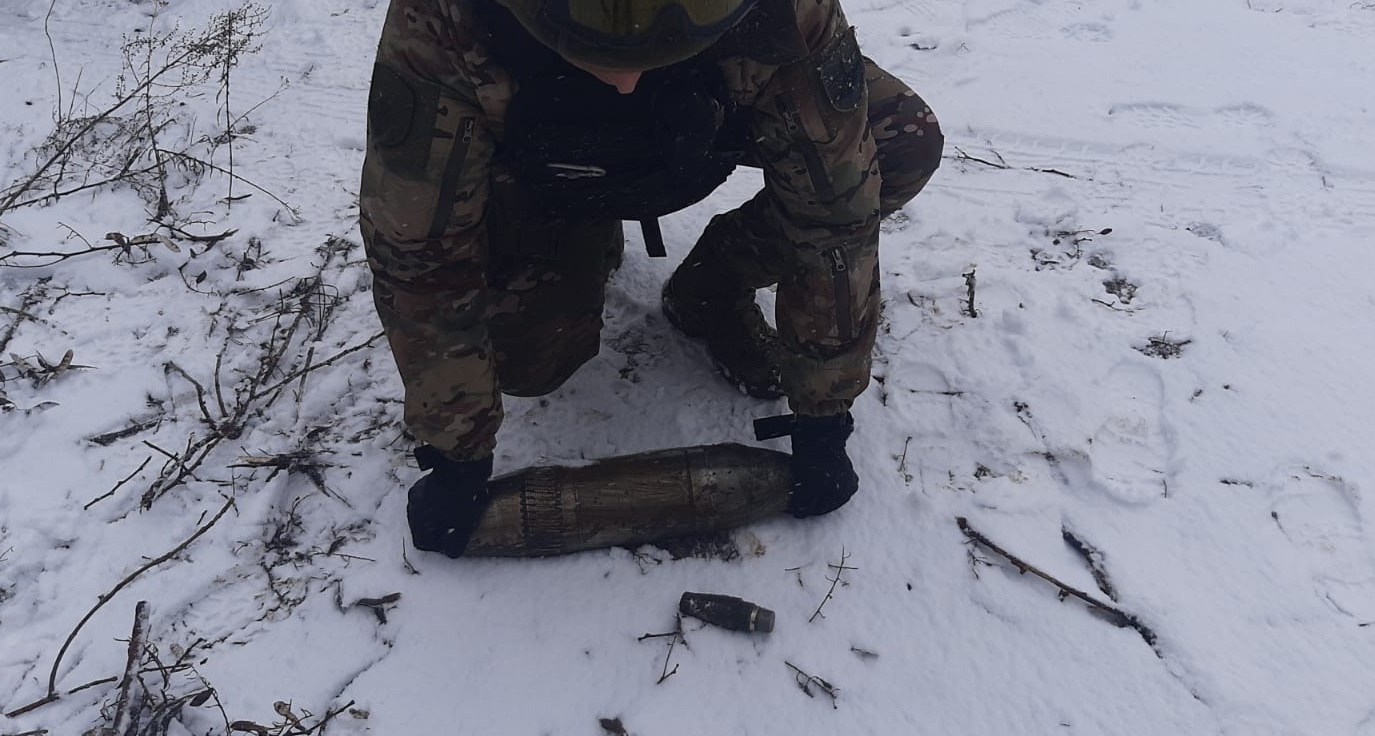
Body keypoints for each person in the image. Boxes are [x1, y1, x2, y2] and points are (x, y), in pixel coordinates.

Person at [359, 0, 943, 557]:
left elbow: (835, 221)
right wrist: (456, 451)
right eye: (597, 53)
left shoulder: (785, 12)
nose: (626, 82)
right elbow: (420, 253)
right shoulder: (444, 20)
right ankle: (580, 233)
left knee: (900, 143)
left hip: (708, 128)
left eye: (658, 50)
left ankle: (711, 287)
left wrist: (823, 418)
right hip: (540, 175)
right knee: (527, 363)